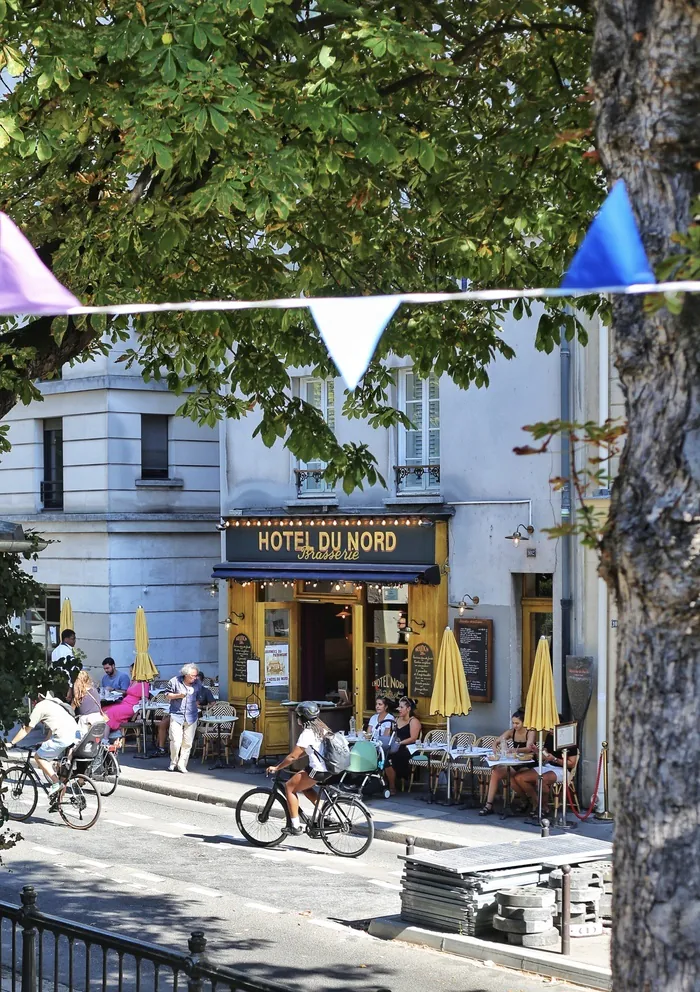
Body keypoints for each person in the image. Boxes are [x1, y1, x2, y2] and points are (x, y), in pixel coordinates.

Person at [267, 701, 332, 836]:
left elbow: (293, 757)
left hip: (318, 770)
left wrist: (277, 767)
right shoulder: (322, 728)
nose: (297, 718)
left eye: (298, 715)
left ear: (303, 717)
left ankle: (295, 826)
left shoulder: (307, 733)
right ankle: (323, 813)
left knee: (289, 787)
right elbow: (307, 751)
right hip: (328, 768)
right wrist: (296, 757)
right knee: (305, 787)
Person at [6, 692, 79, 799]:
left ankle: (55, 782)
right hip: (76, 735)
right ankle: (58, 802)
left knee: (39, 757)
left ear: (38, 697)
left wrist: (11, 743)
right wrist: (46, 741)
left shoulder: (41, 706)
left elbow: (26, 729)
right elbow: (54, 725)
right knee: (62, 771)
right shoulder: (56, 701)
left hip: (63, 737)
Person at [511, 725, 579, 817]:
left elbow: (572, 763)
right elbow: (544, 755)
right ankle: (536, 802)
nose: (549, 730)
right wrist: (536, 751)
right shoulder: (550, 736)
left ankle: (544, 807)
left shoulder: (569, 740)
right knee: (519, 777)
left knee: (542, 779)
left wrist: (555, 759)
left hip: (563, 769)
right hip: (548, 765)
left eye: (552, 728)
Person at [479, 708, 535, 815]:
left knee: (514, 779)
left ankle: (527, 801)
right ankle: (489, 804)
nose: (515, 725)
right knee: (496, 773)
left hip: (527, 761)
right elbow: (497, 740)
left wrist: (515, 750)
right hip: (515, 761)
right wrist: (495, 747)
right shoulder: (511, 732)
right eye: (513, 723)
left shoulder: (530, 732)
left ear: (524, 722)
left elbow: (529, 748)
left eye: (517, 723)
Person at [154, 670, 214, 756]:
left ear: (202, 681)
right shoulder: (185, 688)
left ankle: (183, 753)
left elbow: (213, 704)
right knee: (163, 724)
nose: (194, 682)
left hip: (196, 716)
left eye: (197, 680)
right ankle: (161, 748)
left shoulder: (205, 691)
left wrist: (202, 707)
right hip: (179, 714)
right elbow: (168, 696)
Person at [166, 663, 201, 773]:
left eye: (196, 675)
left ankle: (182, 764)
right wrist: (178, 695)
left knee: (188, 743)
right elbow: (167, 695)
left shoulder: (197, 683)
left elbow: (200, 695)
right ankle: (173, 762)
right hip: (177, 714)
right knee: (176, 741)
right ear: (186, 674)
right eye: (192, 676)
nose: (195, 678)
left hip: (192, 715)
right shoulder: (174, 681)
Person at [384, 696, 422, 796]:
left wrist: (400, 743)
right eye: (398, 707)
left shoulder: (414, 721)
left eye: (401, 707)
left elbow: (413, 738)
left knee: (393, 756)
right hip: (396, 745)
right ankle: (385, 782)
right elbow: (391, 733)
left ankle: (392, 786)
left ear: (408, 709)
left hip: (409, 748)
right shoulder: (397, 720)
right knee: (384, 754)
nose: (399, 709)